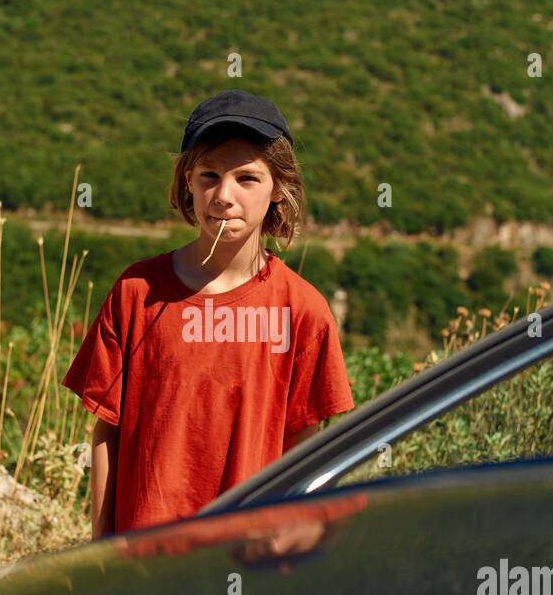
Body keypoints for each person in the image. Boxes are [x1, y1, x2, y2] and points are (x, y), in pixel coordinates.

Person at [61, 89, 354, 537]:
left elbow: (305, 449)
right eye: (209, 176)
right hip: (148, 562)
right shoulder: (137, 293)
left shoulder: (302, 311)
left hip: (250, 561)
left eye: (247, 179)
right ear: (187, 183)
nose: (223, 196)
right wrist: (101, 559)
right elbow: (107, 434)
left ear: (280, 188)